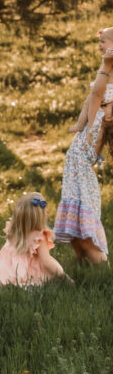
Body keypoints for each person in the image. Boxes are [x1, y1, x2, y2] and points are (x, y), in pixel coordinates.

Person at [53, 30, 113, 264]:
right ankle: (84, 267)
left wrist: (104, 63)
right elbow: (94, 96)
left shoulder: (107, 75)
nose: (99, 44)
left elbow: (96, 93)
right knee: (78, 240)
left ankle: (101, 270)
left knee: (85, 236)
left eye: (103, 41)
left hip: (84, 158)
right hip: (77, 166)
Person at [0, 192, 68, 293]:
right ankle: (26, 287)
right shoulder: (38, 237)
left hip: (7, 272)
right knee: (49, 279)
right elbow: (47, 262)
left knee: (7, 283)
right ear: (40, 217)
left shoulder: (12, 230)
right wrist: (64, 277)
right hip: (27, 274)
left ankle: (7, 285)